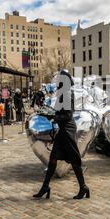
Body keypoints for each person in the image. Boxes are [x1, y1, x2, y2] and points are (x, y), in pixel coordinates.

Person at [33, 70, 90, 200]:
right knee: (53, 158)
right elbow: (59, 113)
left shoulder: (67, 94)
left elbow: (67, 115)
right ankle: (45, 187)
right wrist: (48, 112)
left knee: (74, 160)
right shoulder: (63, 93)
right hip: (63, 130)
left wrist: (54, 116)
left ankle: (83, 187)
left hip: (67, 130)